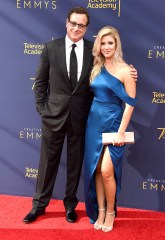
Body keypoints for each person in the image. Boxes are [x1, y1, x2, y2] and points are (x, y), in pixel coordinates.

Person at [23, 7, 137, 224]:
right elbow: (40, 84)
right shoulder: (51, 48)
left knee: (75, 165)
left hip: (82, 118)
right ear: (67, 23)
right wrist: (43, 111)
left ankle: (70, 206)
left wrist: (131, 72)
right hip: (53, 116)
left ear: (86, 28)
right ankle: (38, 206)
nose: (76, 28)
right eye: (73, 23)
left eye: (81, 25)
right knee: (47, 163)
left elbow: (111, 72)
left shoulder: (93, 52)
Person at [84, 26, 137, 232]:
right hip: (94, 121)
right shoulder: (96, 67)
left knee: (107, 170)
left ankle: (111, 212)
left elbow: (130, 104)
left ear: (117, 45)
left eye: (110, 43)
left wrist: (122, 132)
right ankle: (100, 211)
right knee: (96, 169)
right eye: (103, 43)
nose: (106, 47)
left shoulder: (126, 70)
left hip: (114, 122)